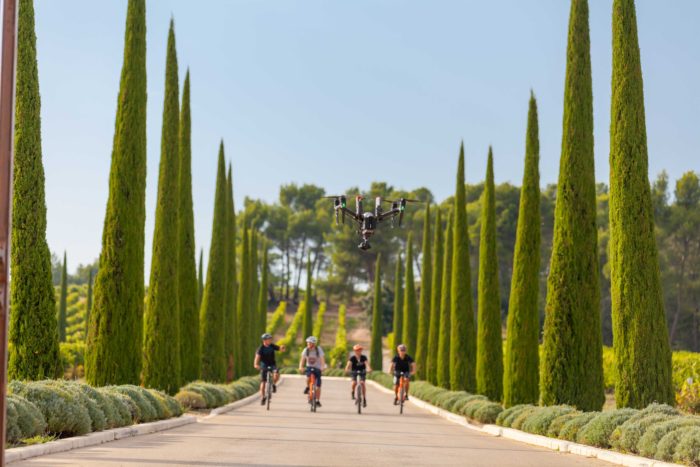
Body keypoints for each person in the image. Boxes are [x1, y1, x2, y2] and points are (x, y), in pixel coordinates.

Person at [253, 333, 286, 405]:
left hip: (272, 365)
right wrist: (256, 364)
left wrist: (282, 348)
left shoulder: (272, 346)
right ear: (264, 340)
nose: (270, 340)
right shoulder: (260, 348)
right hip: (264, 365)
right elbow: (257, 357)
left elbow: (280, 349)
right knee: (263, 382)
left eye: (270, 339)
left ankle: (273, 384)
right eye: (269, 339)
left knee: (276, 374)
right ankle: (263, 397)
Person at [298, 336, 325, 407]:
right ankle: (307, 387)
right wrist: (301, 366)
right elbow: (302, 360)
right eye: (307, 343)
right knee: (308, 377)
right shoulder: (306, 350)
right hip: (309, 367)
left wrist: (322, 367)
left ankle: (317, 400)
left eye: (309, 343)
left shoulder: (318, 349)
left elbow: (322, 359)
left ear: (314, 344)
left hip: (318, 368)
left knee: (318, 387)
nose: (308, 345)